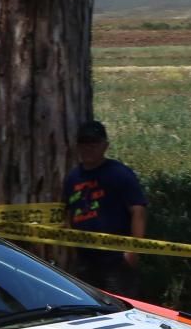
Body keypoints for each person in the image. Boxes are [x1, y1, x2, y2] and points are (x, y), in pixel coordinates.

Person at [63, 119, 147, 296]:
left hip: (116, 261)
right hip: (85, 261)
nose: (88, 148)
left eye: (94, 143)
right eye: (84, 143)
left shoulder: (119, 174)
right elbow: (67, 213)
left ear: (105, 146)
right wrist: (71, 250)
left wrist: (133, 251)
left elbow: (138, 211)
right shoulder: (72, 178)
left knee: (122, 308)